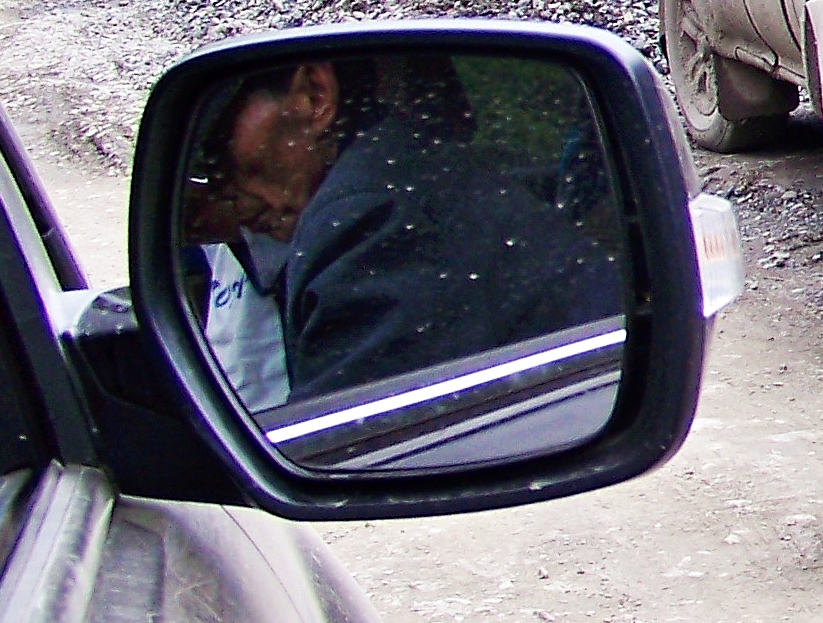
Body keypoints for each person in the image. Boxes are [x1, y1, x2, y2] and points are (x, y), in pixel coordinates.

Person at [181, 55, 631, 407]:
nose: (211, 185)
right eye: (197, 168)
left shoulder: (373, 224)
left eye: (216, 145)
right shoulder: (406, 176)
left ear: (314, 95)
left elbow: (334, 455)